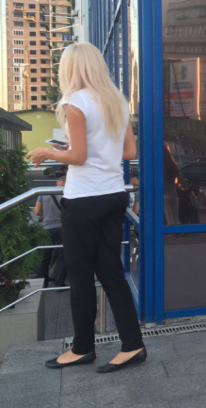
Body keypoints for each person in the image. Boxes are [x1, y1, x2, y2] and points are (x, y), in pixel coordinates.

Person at [27, 42, 146, 374]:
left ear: (70, 69)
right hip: (113, 196)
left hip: (83, 200)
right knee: (111, 273)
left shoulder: (74, 101)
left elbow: (78, 157)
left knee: (80, 277)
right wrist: (93, 148)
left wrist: (47, 153)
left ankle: (82, 348)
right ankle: (133, 345)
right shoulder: (115, 101)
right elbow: (129, 151)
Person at [34, 176, 67, 288]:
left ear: (57, 183)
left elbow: (37, 211)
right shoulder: (66, 193)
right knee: (63, 255)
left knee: (45, 256)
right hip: (62, 227)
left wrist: (47, 216)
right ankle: (59, 283)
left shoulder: (43, 193)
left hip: (47, 228)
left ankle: (42, 281)